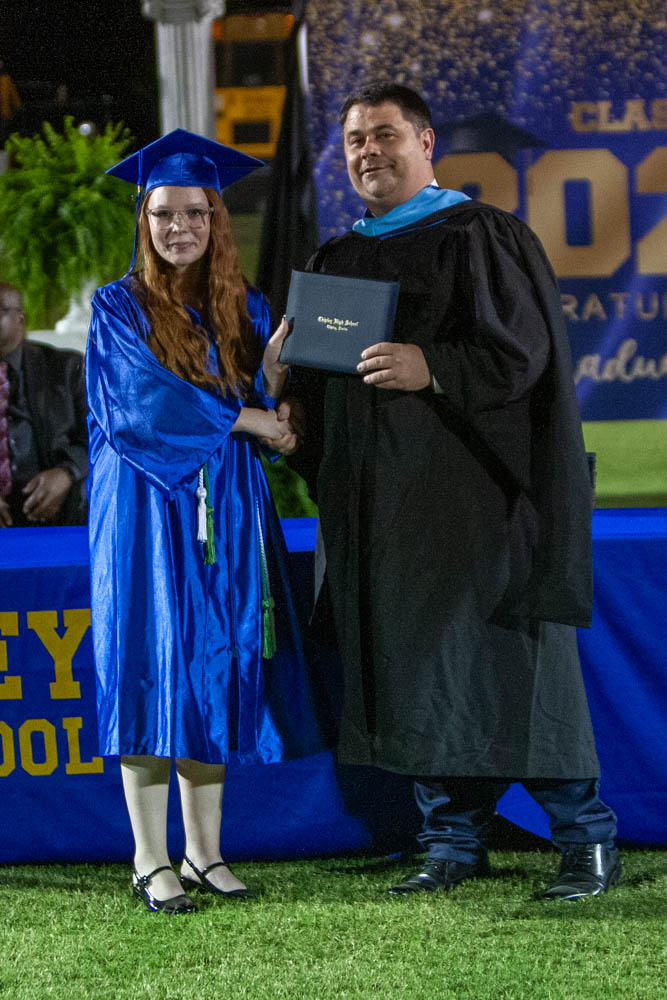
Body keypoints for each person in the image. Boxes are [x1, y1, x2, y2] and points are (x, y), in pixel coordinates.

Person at [292, 83, 620, 900]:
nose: (369, 151)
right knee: (415, 671)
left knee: (511, 667)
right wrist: (287, 390)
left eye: (385, 134)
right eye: (355, 139)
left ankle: (584, 840)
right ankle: (450, 842)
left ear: (426, 142)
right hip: (380, 511)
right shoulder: (336, 259)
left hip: (474, 501)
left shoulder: (479, 234)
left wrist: (430, 365)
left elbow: (522, 354)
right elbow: (325, 393)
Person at [86, 129, 326, 915]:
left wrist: (276, 386)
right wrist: (251, 421)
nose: (179, 227)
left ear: (217, 219)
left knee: (212, 661)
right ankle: (148, 858)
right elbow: (138, 406)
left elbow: (253, 396)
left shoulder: (245, 305)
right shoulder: (117, 306)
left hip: (226, 503)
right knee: (151, 661)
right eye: (164, 214)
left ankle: (205, 853)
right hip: (145, 508)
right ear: (144, 220)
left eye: (195, 212)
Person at [0, 282, 87, 527]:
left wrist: (68, 472)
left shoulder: (65, 368)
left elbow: (101, 435)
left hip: (61, 510)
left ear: (20, 317)